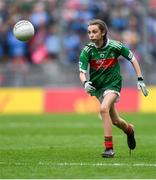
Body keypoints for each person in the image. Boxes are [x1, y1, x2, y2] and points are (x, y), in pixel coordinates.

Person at [79, 19, 148, 158]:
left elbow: (132, 58)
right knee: (115, 120)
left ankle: (109, 148)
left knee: (103, 109)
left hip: (113, 84)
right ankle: (129, 130)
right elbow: (82, 71)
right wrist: (85, 83)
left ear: (103, 32)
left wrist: (140, 78)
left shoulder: (115, 46)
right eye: (89, 32)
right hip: (98, 87)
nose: (91, 35)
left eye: (94, 32)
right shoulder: (87, 50)